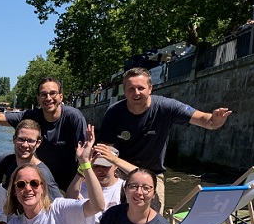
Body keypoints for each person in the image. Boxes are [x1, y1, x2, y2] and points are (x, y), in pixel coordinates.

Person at [98, 67, 232, 212]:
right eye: (131, 89)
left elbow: (207, 121)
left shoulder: (166, 107)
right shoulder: (114, 113)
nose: (136, 93)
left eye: (140, 88)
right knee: (109, 214)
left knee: (154, 220)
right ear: (124, 91)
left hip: (152, 173)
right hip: (121, 172)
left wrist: (216, 120)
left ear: (150, 88)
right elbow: (106, 154)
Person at [0, 68, 87, 192]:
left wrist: (76, 188)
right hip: (40, 182)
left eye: (53, 93)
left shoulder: (73, 118)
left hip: (69, 183)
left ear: (61, 96)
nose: (48, 98)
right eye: (43, 94)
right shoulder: (31, 116)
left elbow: (84, 156)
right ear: (38, 99)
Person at [0, 119, 63, 200]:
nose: (25, 145)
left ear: (38, 143)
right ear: (14, 139)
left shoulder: (42, 174)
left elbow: (59, 204)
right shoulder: (5, 160)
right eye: (21, 139)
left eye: (30, 141)